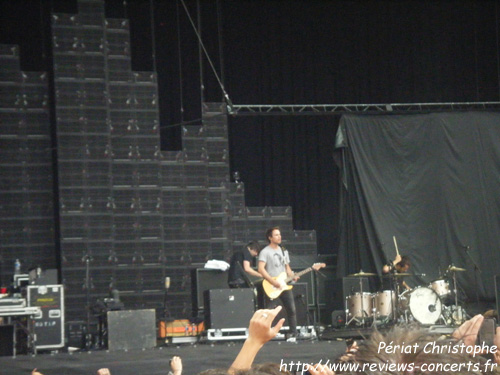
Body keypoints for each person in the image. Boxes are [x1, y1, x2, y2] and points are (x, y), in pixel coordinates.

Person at [257, 227, 299, 342]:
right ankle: (264, 333)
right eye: (276, 235)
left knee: (291, 309)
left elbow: (287, 267)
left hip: (284, 285)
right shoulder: (265, 252)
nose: (279, 237)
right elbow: (261, 269)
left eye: (279, 234)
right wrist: (272, 281)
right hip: (272, 285)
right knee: (269, 311)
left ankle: (293, 334)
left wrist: (292, 276)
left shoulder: (283, 250)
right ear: (270, 238)